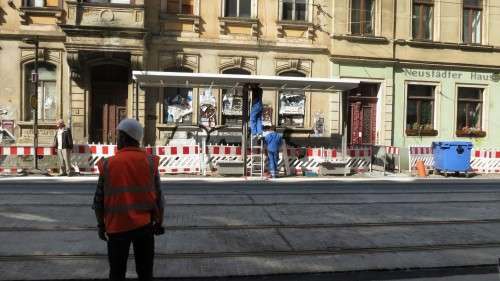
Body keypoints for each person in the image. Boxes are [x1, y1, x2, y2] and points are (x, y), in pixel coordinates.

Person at [92, 119, 165, 281]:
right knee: (145, 273)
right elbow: (160, 198)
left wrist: (100, 225)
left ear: (125, 138)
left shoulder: (108, 164)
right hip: (145, 227)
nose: (117, 139)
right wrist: (159, 223)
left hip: (116, 229)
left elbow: (98, 200)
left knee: (117, 273)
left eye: (118, 136)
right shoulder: (150, 162)